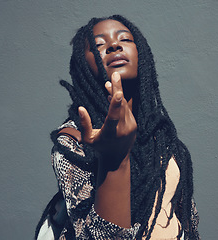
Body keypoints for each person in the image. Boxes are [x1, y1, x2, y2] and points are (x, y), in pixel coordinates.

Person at [35, 15, 200, 240]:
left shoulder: (160, 134)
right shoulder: (74, 140)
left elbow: (185, 217)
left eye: (125, 39)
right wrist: (114, 160)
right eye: (98, 45)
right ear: (82, 66)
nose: (114, 45)